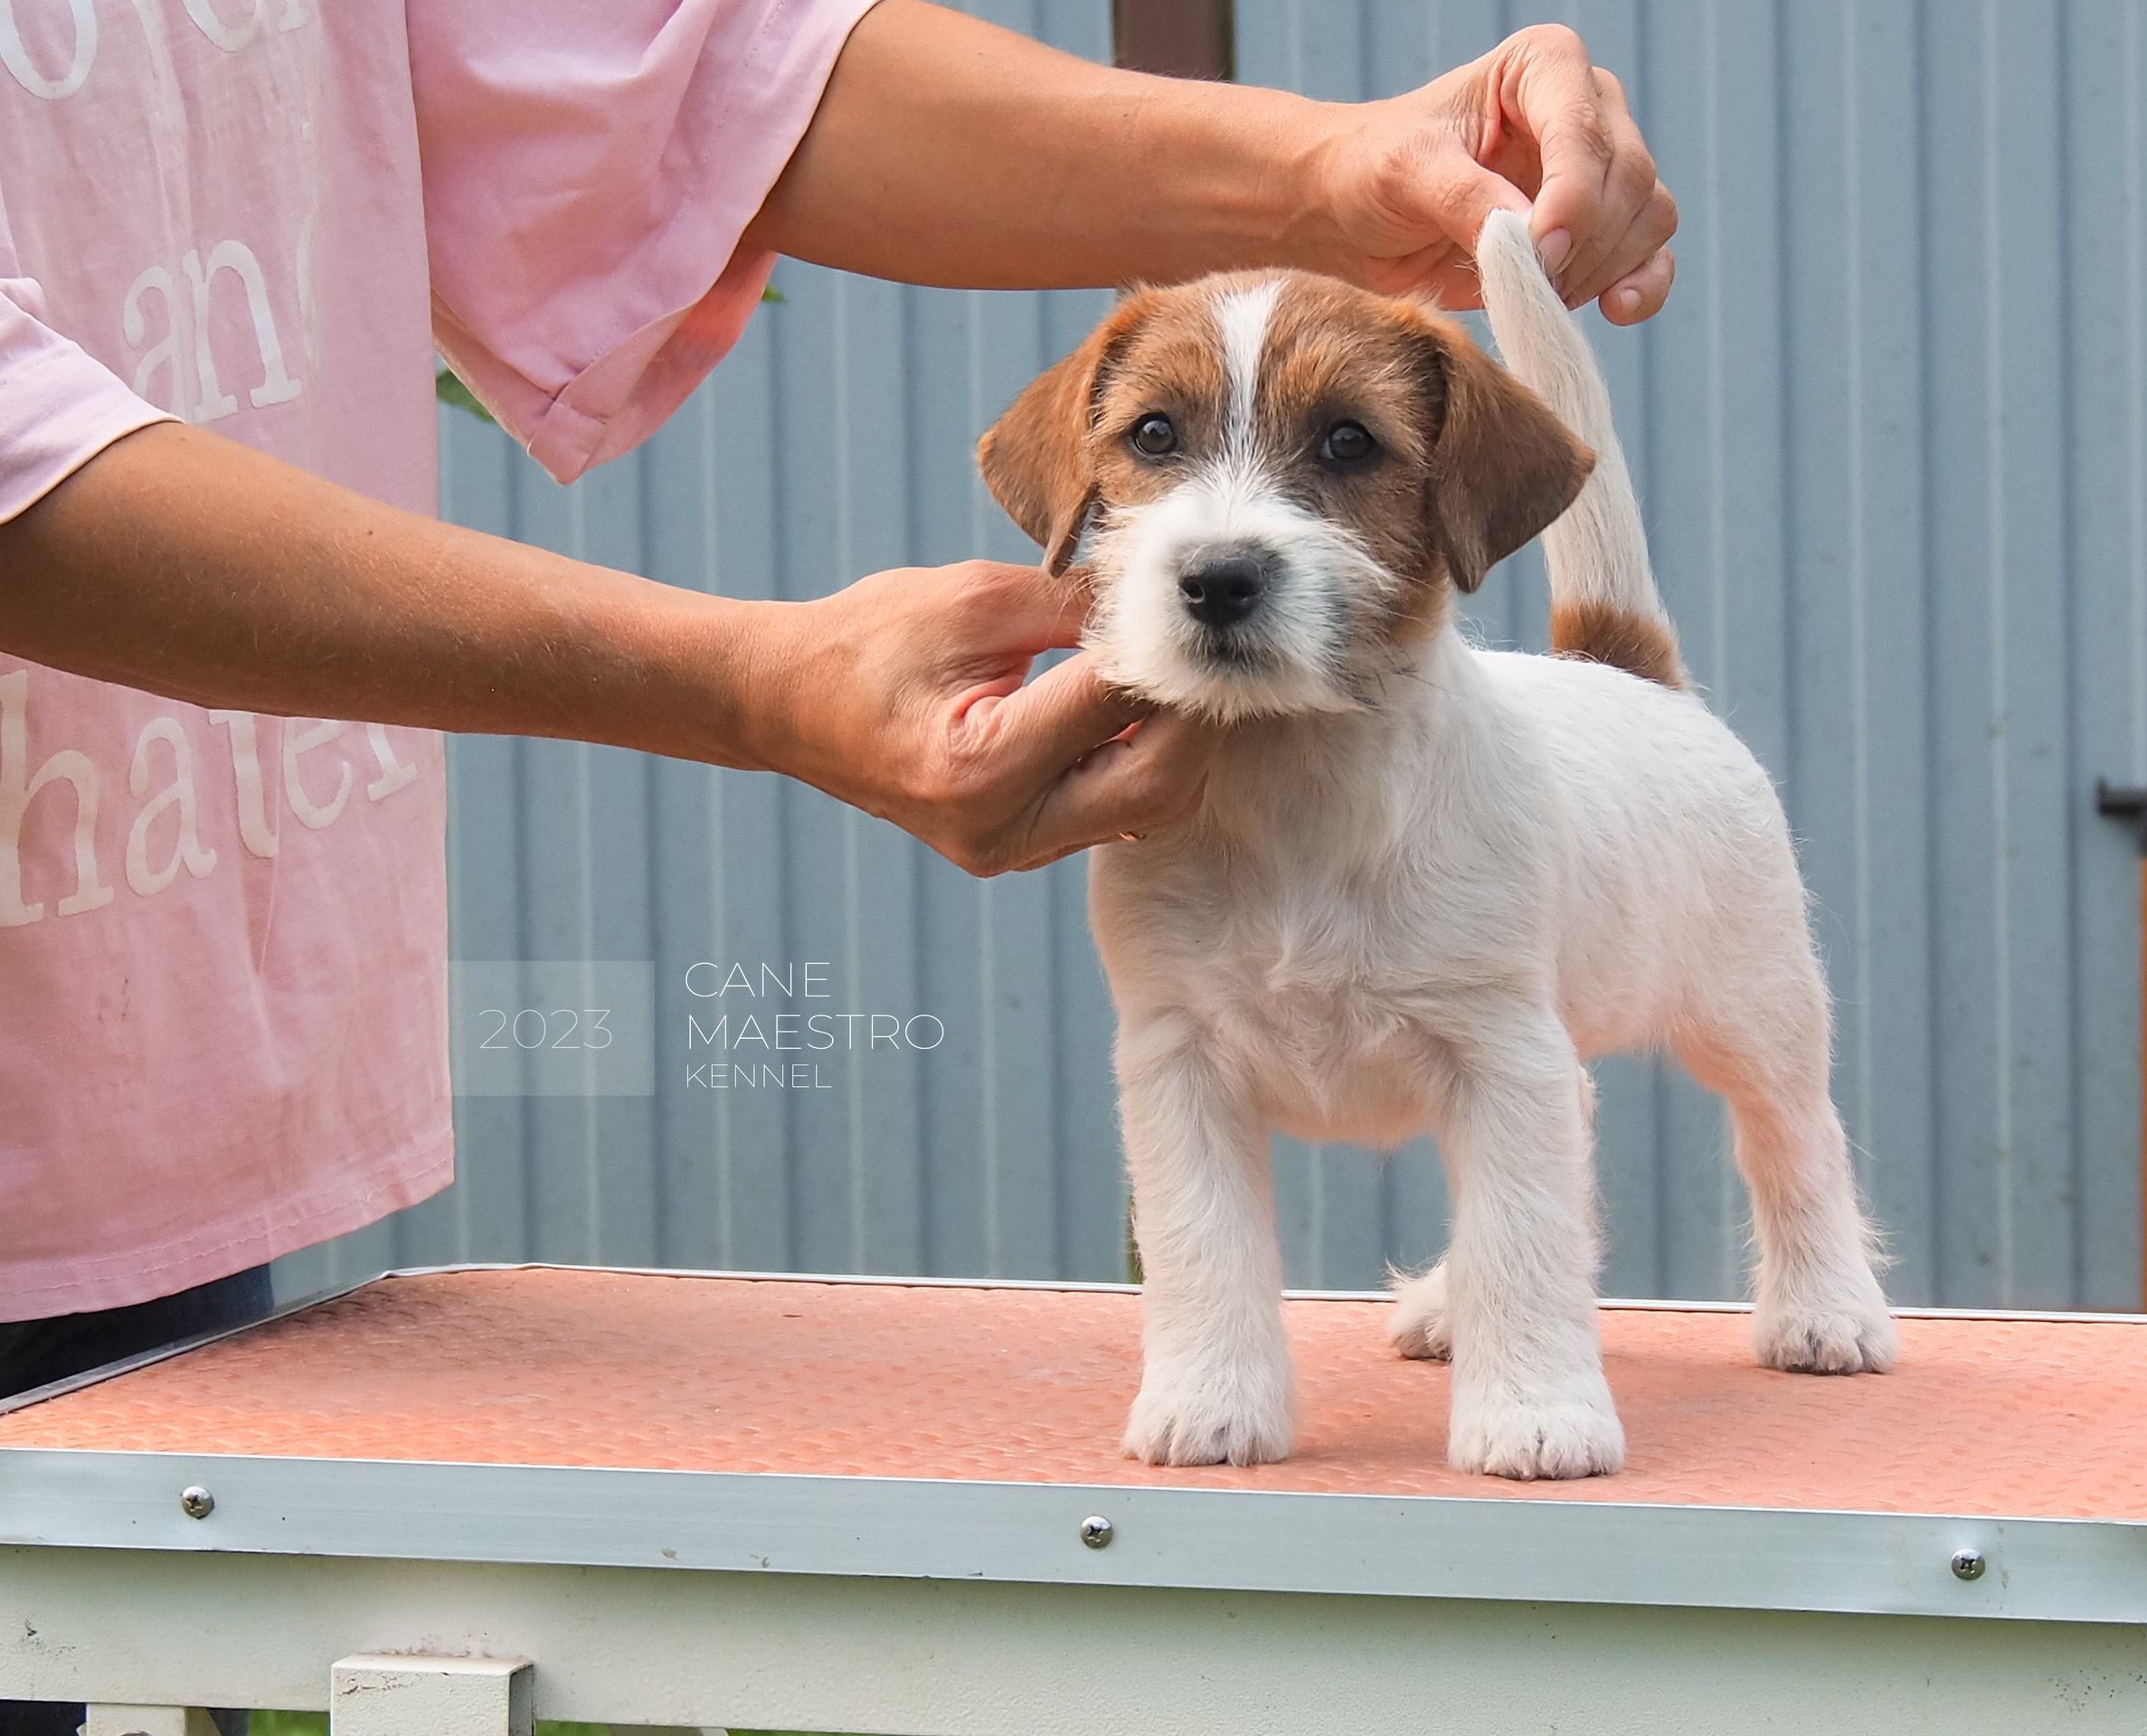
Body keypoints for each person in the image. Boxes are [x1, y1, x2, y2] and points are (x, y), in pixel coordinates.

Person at [0, 3, 1669, 1722]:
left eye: (1336, 457)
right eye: (1159, 449)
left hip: (145, 1084)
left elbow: (702, 82)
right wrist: (744, 681)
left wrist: (1323, 162)